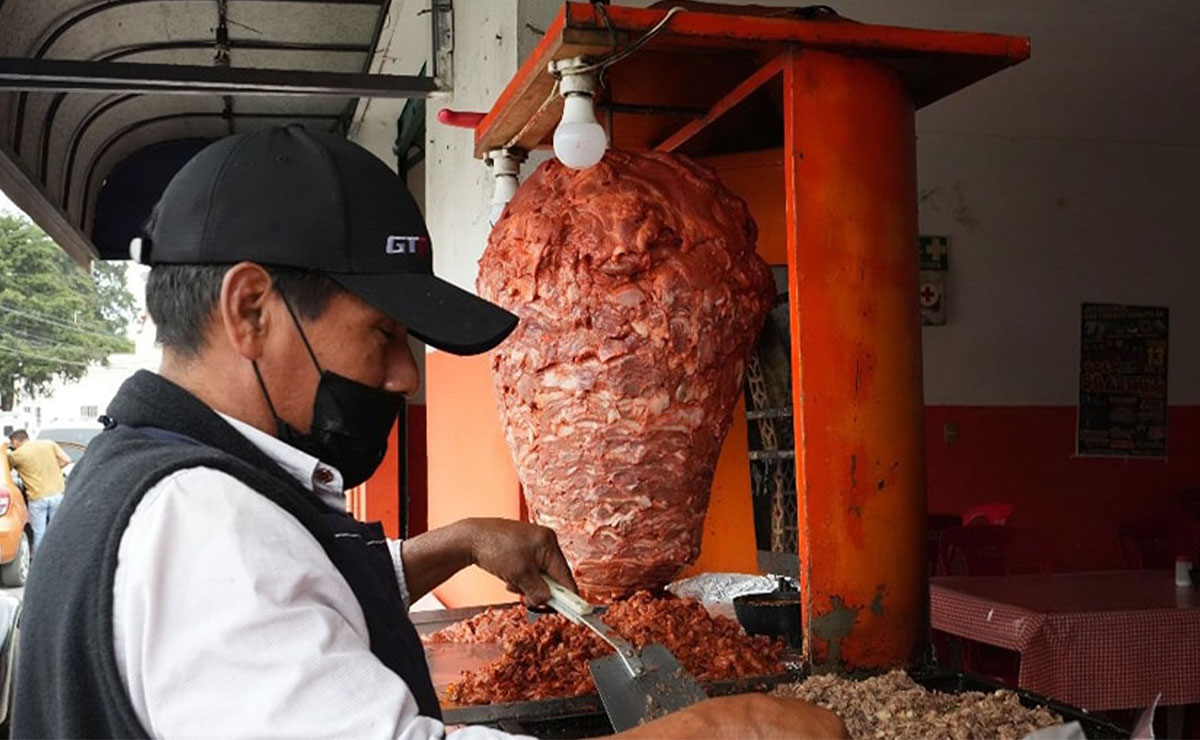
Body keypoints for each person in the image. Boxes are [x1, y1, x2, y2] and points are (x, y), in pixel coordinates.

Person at [12, 125, 845, 739]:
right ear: (249, 309)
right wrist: (711, 732)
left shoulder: (149, 473)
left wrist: (452, 545)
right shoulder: (203, 527)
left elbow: (293, 595)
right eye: (383, 336)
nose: (406, 377)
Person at [6, 429, 70, 554]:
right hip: (57, 495)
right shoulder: (48, 444)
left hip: (37, 498)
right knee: (56, 531)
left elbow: (5, 472)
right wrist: (56, 468)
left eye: (12, 444)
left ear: (15, 442)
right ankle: (57, 559)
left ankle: (39, 566)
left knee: (40, 533)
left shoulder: (17, 455)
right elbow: (66, 460)